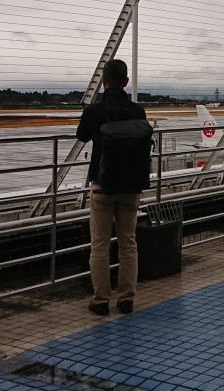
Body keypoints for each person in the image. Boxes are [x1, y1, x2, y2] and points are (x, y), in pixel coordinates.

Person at [76, 59, 147, 316]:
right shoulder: (138, 111)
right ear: (126, 82)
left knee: (100, 244)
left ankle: (101, 299)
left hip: (102, 184)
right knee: (129, 242)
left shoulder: (95, 111)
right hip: (131, 184)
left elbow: (82, 135)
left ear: (103, 82)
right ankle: (127, 298)